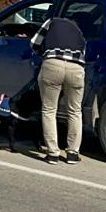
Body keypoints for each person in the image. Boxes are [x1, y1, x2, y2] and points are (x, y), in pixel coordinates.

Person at [30, 13, 88, 163]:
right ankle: (73, 153)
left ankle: (53, 153)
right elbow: (84, 53)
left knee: (49, 110)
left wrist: (42, 53)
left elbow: (34, 43)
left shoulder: (52, 21)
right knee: (75, 111)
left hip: (53, 64)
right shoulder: (79, 32)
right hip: (76, 68)